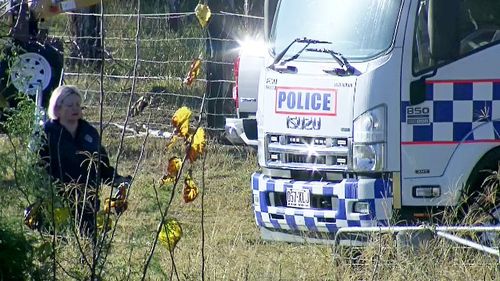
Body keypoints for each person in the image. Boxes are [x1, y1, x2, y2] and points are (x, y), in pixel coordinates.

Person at [39, 85, 129, 237]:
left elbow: (102, 165)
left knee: (88, 242)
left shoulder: (89, 132)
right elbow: (39, 166)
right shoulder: (47, 133)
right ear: (57, 108)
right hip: (57, 201)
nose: (75, 108)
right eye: (69, 105)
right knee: (59, 242)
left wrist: (118, 180)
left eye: (77, 105)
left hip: (88, 200)